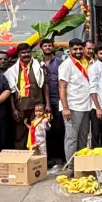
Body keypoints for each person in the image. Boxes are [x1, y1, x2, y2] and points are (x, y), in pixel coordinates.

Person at [58, 38, 94, 160]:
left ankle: (81, 163)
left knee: (83, 136)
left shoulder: (85, 62)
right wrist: (65, 108)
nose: (78, 51)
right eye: (75, 49)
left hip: (86, 106)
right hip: (72, 107)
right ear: (69, 50)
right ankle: (71, 165)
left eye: (80, 49)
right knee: (71, 137)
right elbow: (62, 87)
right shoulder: (66, 65)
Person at [6, 48, 46, 150]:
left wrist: (48, 105)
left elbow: (45, 86)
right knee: (19, 134)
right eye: (23, 52)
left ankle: (36, 157)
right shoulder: (13, 70)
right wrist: (13, 109)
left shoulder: (39, 67)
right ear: (19, 54)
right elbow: (11, 91)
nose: (26, 54)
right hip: (20, 107)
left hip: (37, 107)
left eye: (28, 52)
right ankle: (21, 156)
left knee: (37, 133)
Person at [39, 38, 64, 167]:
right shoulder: (37, 63)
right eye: (45, 46)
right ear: (41, 48)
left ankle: (59, 157)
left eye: (49, 45)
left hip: (57, 100)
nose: (48, 47)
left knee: (58, 128)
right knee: (44, 130)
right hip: (42, 102)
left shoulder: (59, 62)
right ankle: (48, 158)